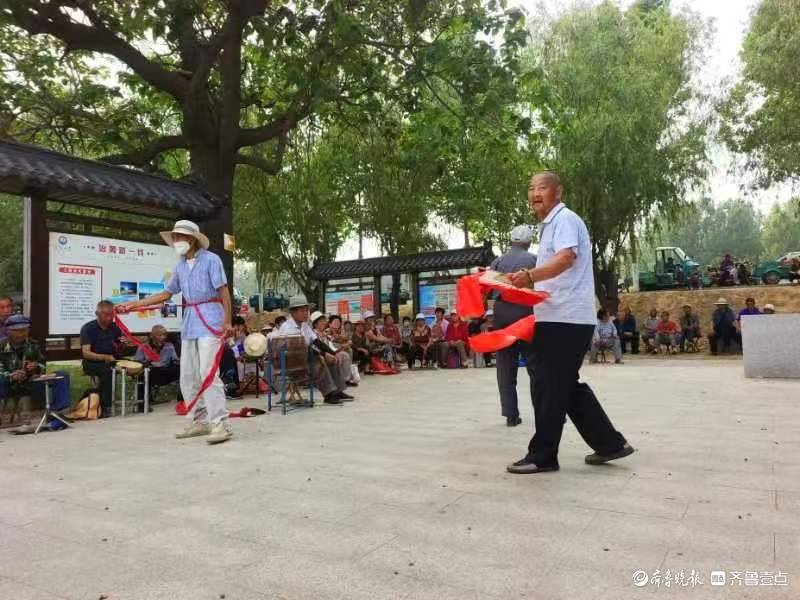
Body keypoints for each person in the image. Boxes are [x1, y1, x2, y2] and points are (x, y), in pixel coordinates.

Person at [507, 171, 632, 474]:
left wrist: (531, 276)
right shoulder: (549, 226)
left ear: (558, 192)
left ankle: (543, 455)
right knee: (564, 386)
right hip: (556, 316)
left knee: (548, 386)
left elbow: (566, 259)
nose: (535, 193)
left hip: (565, 319)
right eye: (531, 188)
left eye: (542, 187)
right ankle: (610, 444)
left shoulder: (564, 220)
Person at [117, 220, 234, 444]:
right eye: (175, 237)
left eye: (179, 237)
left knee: (208, 373)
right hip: (190, 322)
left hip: (211, 318)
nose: (176, 241)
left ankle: (221, 424)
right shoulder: (180, 265)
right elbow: (166, 294)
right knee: (188, 374)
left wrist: (227, 321)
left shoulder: (211, 259)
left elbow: (223, 291)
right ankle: (199, 420)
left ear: (191, 239)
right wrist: (134, 305)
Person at [488, 224, 538, 426]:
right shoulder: (534, 260)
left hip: (502, 315)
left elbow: (489, 286)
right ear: (528, 242)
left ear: (511, 241)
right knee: (536, 366)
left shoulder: (498, 261)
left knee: (505, 366)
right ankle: (543, 411)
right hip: (526, 315)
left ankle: (511, 415)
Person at [277, 295, 351, 404]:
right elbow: (298, 348)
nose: (306, 313)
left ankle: (338, 391)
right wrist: (323, 355)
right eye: (302, 310)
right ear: (293, 313)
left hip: (306, 356)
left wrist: (331, 353)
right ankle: (329, 394)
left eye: (306, 310)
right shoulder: (287, 327)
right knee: (319, 361)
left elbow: (317, 342)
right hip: (292, 362)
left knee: (333, 359)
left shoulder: (305, 326)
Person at [0, 315, 45, 433]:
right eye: (16, 331)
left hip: (27, 379)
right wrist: (10, 375)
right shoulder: (2, 346)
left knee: (61, 376)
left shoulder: (33, 345)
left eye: (24, 330)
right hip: (6, 380)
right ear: (8, 331)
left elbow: (42, 364)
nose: (20, 334)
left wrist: (36, 367)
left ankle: (54, 416)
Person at [80, 300, 125, 417]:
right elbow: (86, 353)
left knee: (141, 366)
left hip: (112, 360)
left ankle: (142, 401)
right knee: (108, 371)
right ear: (97, 313)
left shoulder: (115, 328)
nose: (110, 318)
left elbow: (118, 349)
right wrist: (104, 357)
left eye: (112, 315)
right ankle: (106, 406)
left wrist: (123, 344)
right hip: (92, 362)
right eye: (106, 315)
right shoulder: (88, 328)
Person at [133, 324, 180, 401]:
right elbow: (137, 363)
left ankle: (182, 399)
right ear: (152, 336)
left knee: (180, 369)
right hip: (151, 371)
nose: (163, 337)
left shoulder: (169, 345)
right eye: (160, 335)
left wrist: (178, 362)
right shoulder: (143, 347)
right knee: (142, 374)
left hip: (165, 371)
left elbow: (175, 360)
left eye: (164, 335)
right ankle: (143, 402)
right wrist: (150, 359)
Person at [311, 311, 356, 391]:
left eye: (323, 321)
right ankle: (340, 382)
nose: (323, 323)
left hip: (329, 352)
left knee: (344, 354)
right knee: (342, 355)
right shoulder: (315, 333)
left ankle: (344, 381)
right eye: (321, 322)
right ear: (315, 324)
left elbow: (332, 347)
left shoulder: (324, 334)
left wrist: (336, 351)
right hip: (318, 356)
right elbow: (315, 347)